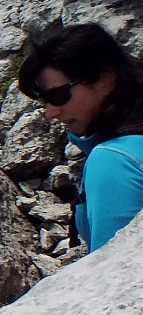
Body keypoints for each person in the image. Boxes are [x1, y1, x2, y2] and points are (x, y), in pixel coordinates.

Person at [18, 23, 143, 253]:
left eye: (58, 95)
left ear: (106, 81)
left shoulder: (114, 161)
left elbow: (113, 276)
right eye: (43, 99)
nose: (50, 112)